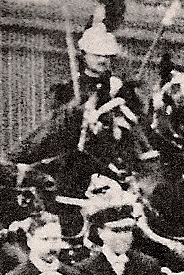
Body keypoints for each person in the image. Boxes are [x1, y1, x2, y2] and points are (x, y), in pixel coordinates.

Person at [10, 19, 151, 199]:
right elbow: (59, 123)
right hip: (74, 152)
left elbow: (137, 118)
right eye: (97, 55)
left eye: (107, 56)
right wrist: (80, 111)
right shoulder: (69, 88)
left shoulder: (120, 87)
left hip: (113, 152)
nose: (103, 60)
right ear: (84, 55)